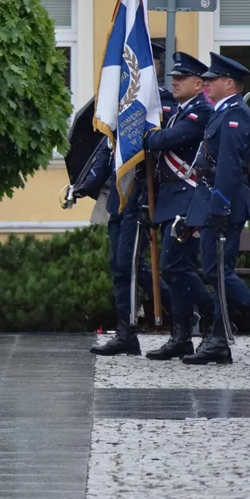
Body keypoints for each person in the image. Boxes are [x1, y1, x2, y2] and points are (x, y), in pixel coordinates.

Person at [181, 52, 250, 365]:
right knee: (214, 271)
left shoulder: (236, 114)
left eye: (212, 80)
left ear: (229, 83)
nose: (207, 84)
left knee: (218, 271)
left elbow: (228, 165)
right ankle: (217, 340)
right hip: (211, 199)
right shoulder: (222, 111)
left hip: (223, 202)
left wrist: (219, 206)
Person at [73, 87, 175, 356]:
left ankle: (185, 311)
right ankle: (126, 332)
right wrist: (85, 185)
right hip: (119, 197)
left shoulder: (160, 103)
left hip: (142, 195)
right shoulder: (121, 104)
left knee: (128, 264)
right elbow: (109, 151)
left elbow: (164, 149)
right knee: (120, 266)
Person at [140, 52, 215, 360]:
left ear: (199, 84)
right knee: (173, 270)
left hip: (188, 199)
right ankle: (181, 336)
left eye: (181, 78)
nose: (174, 82)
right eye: (173, 77)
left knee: (174, 265)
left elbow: (167, 140)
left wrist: (148, 135)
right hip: (170, 200)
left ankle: (214, 313)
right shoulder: (179, 111)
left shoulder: (202, 112)